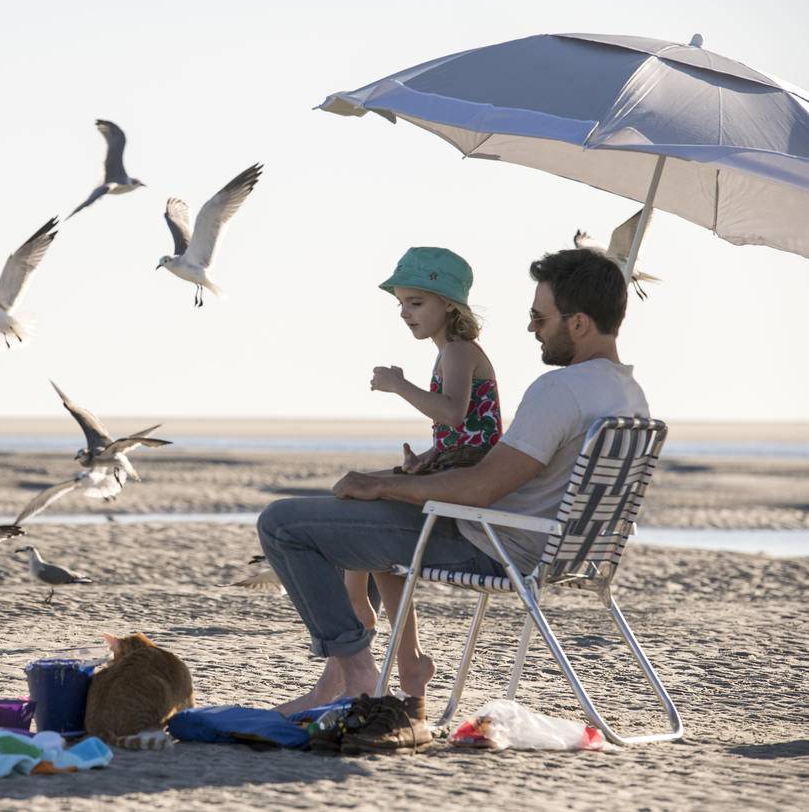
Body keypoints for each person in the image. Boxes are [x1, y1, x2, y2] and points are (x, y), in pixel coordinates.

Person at [257, 246, 648, 753]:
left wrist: (384, 483)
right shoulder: (630, 395)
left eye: (538, 316)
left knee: (283, 523)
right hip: (552, 547)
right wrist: (410, 476)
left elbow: (481, 487)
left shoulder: (562, 389)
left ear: (576, 324)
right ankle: (399, 669)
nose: (531, 328)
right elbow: (495, 470)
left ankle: (355, 675)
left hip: (494, 544)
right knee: (375, 516)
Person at [343, 247, 503, 638]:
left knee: (354, 493)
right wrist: (430, 456)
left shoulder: (460, 351)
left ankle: (360, 606)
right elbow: (467, 426)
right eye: (401, 304)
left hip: (466, 478)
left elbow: (452, 413)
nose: (404, 312)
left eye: (415, 302)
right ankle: (396, 635)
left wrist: (399, 385)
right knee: (358, 498)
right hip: (453, 465)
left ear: (448, 304)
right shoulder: (449, 354)